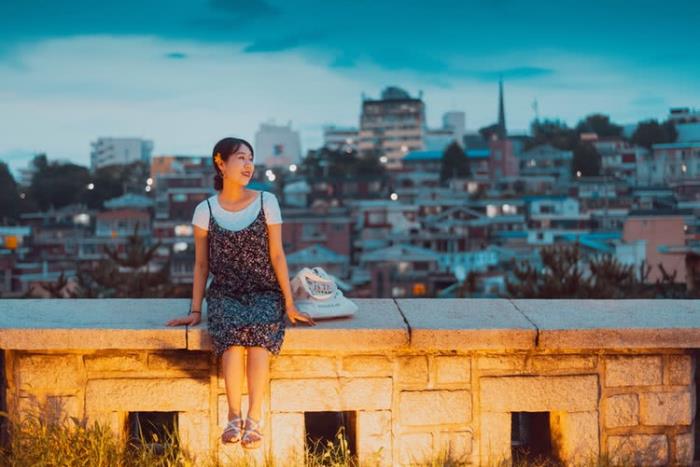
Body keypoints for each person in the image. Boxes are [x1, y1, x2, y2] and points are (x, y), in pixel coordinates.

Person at [166, 137, 315, 450]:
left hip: (265, 291)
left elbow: (277, 255)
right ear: (221, 163)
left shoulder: (266, 202)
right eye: (241, 158)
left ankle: (254, 418)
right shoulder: (205, 210)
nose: (248, 165)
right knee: (232, 341)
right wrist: (195, 310)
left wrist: (289, 303)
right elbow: (201, 264)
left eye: (250, 158)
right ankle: (233, 416)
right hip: (225, 293)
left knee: (259, 339)